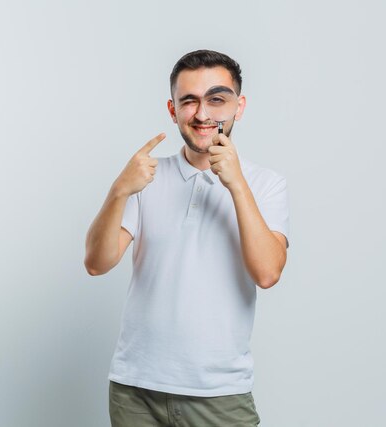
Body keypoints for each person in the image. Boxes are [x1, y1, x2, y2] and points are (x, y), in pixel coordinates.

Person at [84, 49, 290, 427]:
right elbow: (97, 264)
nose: (202, 114)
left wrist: (236, 183)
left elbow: (267, 273)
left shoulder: (265, 184)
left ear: (238, 106)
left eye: (217, 99)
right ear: (173, 109)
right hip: (135, 390)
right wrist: (119, 190)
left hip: (219, 394)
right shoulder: (146, 177)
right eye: (189, 101)